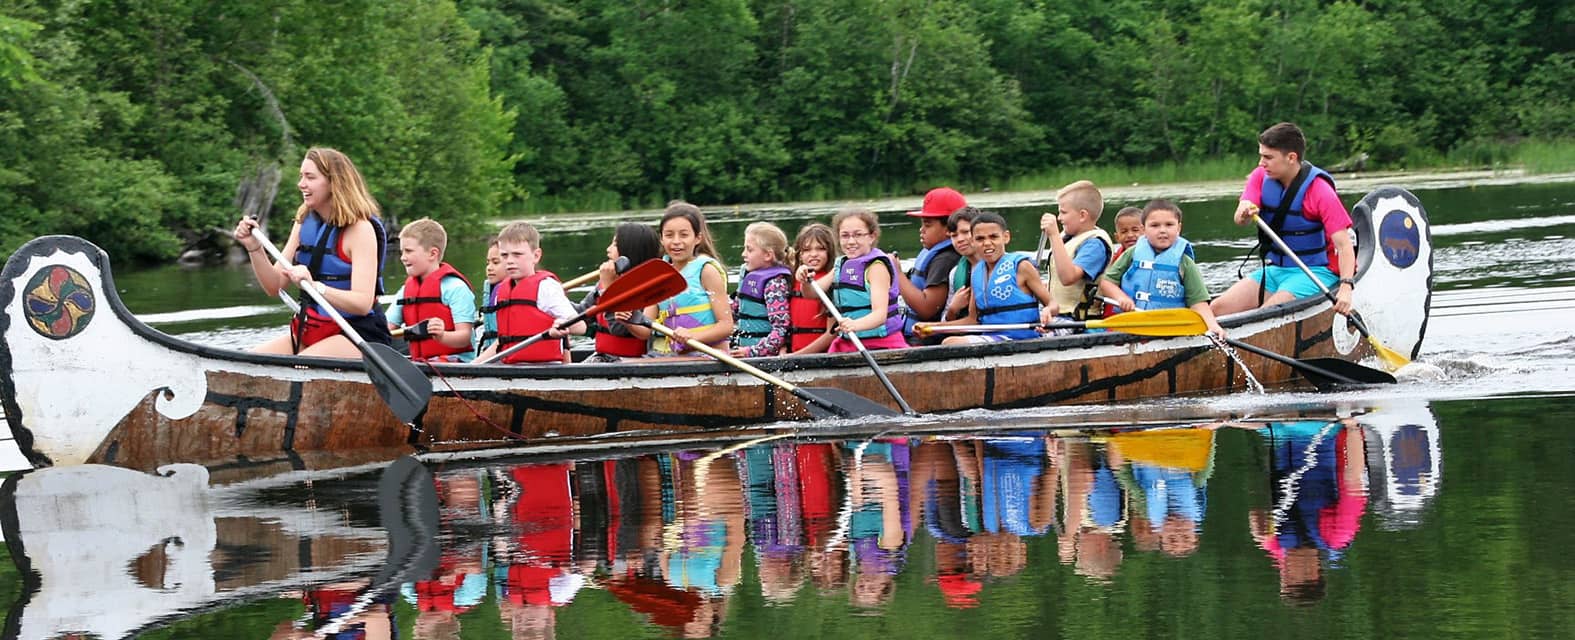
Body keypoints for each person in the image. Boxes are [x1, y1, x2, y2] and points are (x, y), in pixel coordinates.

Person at [232, 147, 392, 357]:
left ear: (334, 182)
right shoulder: (304, 223)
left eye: (310, 177)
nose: (301, 184)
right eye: (301, 176)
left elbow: (362, 304)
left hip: (357, 334)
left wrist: (316, 287)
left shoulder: (360, 230)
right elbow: (274, 286)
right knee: (248, 364)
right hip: (313, 328)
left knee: (298, 368)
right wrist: (254, 247)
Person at [1210, 122, 1357, 316]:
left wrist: (1346, 288)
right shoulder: (1259, 177)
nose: (1261, 163)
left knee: (1264, 314)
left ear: (1291, 158)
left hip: (1315, 272)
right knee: (1215, 309)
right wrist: (1244, 211)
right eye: (1261, 155)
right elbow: (1240, 219)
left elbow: (1345, 246)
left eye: (1268, 157)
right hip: (1276, 270)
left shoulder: (1320, 191)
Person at [915, 212, 1057, 344]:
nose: (987, 243)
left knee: (950, 343)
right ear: (973, 241)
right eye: (980, 239)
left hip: (1022, 337)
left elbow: (1053, 304)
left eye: (993, 237)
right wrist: (933, 327)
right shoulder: (977, 272)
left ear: (1006, 237)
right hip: (992, 337)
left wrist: (1047, 311)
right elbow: (972, 321)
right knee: (948, 341)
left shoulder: (1022, 266)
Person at [1100, 199, 1226, 337]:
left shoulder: (1185, 262)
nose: (1162, 231)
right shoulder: (1131, 254)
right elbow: (1107, 282)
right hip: (1131, 325)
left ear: (1178, 228)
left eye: (1169, 225)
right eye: (1154, 225)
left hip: (1169, 329)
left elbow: (1198, 302)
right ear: (1144, 229)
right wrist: (1121, 298)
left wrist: (1212, 325)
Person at [627, 202, 734, 356]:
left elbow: (726, 326)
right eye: (669, 235)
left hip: (704, 353)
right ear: (662, 239)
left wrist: (693, 337)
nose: (676, 241)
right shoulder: (658, 274)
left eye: (684, 235)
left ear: (697, 238)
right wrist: (627, 320)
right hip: (666, 355)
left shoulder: (707, 270)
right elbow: (645, 331)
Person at [797, 208, 907, 352]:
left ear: (872, 236)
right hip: (848, 342)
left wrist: (855, 325)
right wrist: (804, 280)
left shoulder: (876, 267)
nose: (851, 241)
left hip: (881, 343)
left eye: (858, 235)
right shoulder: (840, 265)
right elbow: (811, 293)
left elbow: (880, 315)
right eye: (845, 236)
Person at [477, 222, 586, 364]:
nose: (509, 261)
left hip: (545, 370)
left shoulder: (546, 288)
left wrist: (562, 325)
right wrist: (473, 366)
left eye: (517, 254)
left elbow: (580, 327)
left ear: (536, 256)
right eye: (504, 255)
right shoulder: (502, 291)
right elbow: (501, 342)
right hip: (511, 368)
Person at [385, 218, 476, 362]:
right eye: (402, 252)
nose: (402, 258)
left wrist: (442, 336)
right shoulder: (405, 291)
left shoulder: (456, 288)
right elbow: (386, 329)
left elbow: (464, 338)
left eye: (408, 251)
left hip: (457, 360)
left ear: (433, 254)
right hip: (422, 362)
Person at [579, 222, 660, 362]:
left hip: (627, 361)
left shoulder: (644, 289)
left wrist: (608, 289)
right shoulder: (605, 282)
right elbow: (581, 312)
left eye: (615, 245)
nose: (608, 249)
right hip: (602, 357)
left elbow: (618, 329)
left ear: (630, 252)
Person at [1039, 180, 1113, 333]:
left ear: (1082, 215)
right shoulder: (1067, 238)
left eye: (1063, 212)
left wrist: (1053, 235)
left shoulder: (1095, 245)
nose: (1059, 218)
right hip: (1057, 316)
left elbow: (1068, 277)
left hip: (1077, 322)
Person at [896, 187, 967, 342]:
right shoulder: (935, 253)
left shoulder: (945, 259)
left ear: (950, 228)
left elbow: (927, 309)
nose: (921, 230)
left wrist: (897, 273)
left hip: (926, 339)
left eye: (927, 225)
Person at [731, 222, 793, 357]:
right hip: (742, 349)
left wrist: (751, 352)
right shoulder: (747, 276)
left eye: (749, 249)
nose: (743, 254)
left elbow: (781, 330)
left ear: (767, 255)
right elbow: (735, 311)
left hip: (761, 356)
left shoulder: (774, 284)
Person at [786, 223, 836, 355]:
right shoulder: (792, 280)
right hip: (793, 352)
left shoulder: (832, 280)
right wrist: (784, 349)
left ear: (830, 252)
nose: (813, 254)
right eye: (807, 250)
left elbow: (832, 333)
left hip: (821, 355)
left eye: (820, 249)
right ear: (800, 254)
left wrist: (797, 356)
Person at [941, 207, 982, 322]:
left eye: (965, 232)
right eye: (954, 235)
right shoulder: (955, 273)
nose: (959, 239)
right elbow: (945, 320)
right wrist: (953, 309)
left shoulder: (1001, 265)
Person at [1104, 207, 1144, 317]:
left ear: (1145, 231)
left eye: (1135, 230)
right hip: (1118, 312)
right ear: (1117, 237)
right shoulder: (1116, 259)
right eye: (1124, 231)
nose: (1130, 235)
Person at [473, 239, 503, 356]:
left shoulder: (518, 292)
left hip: (505, 356)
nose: (489, 268)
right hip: (491, 354)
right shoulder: (495, 290)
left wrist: (476, 364)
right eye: (488, 263)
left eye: (495, 263)